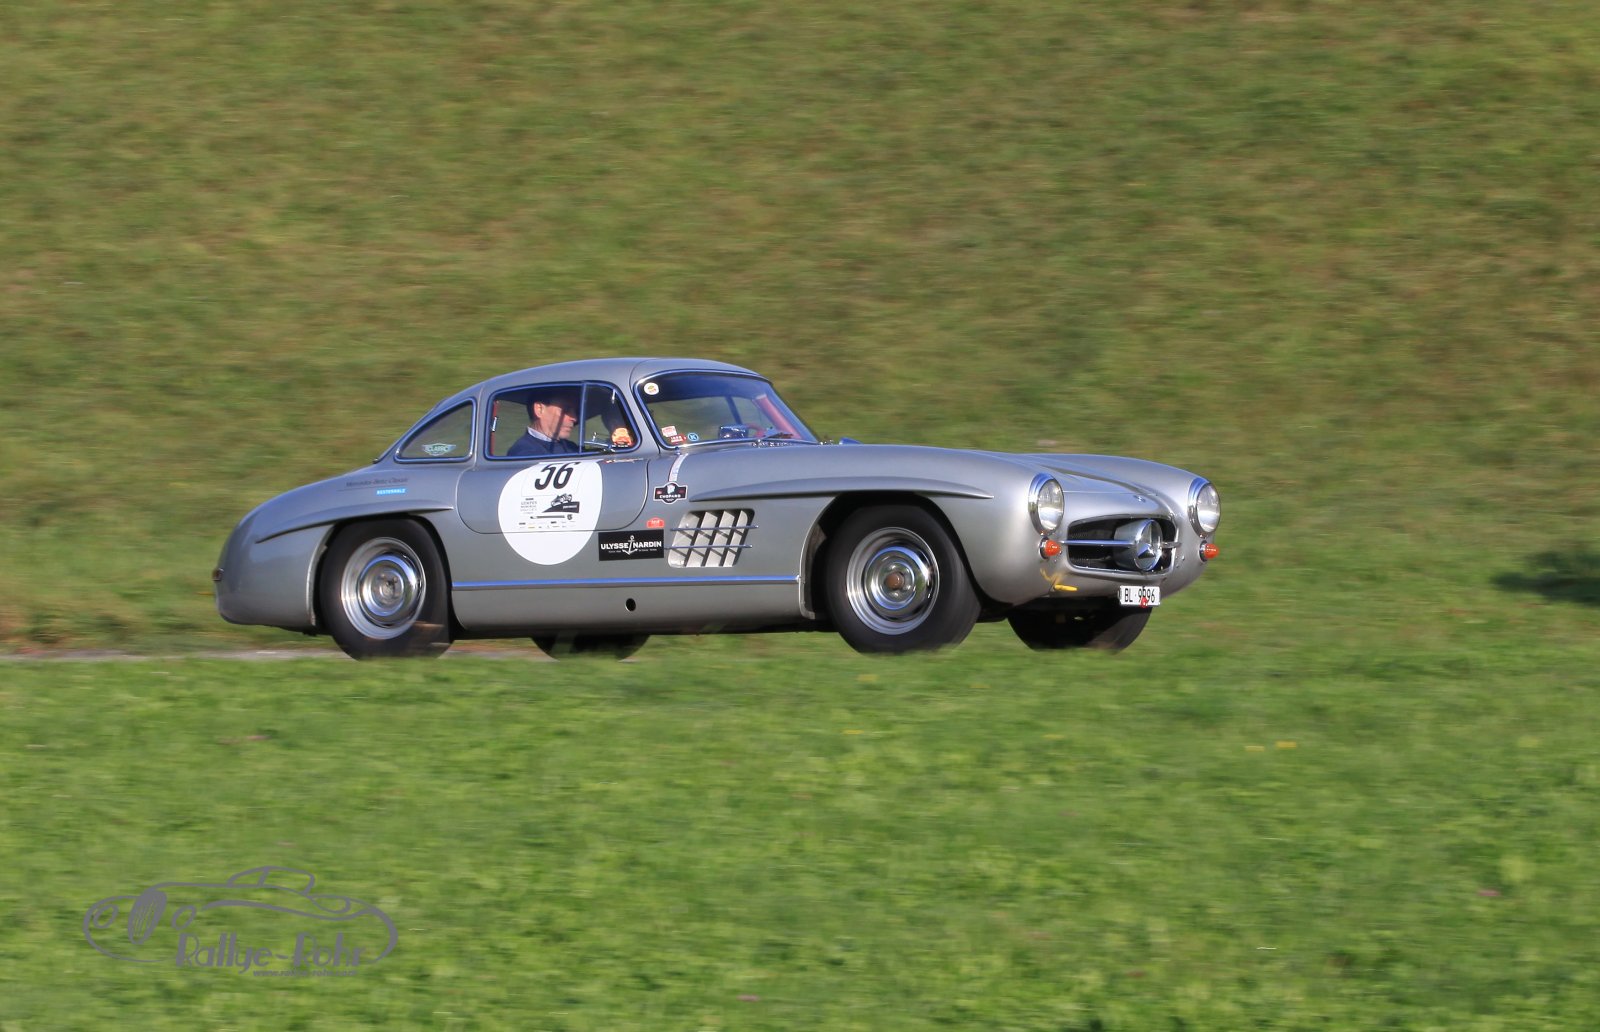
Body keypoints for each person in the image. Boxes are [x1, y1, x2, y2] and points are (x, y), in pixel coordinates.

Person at [506, 389, 580, 457]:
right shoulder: (525, 454)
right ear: (540, 409)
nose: (574, 418)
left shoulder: (571, 446)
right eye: (565, 410)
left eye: (576, 411)